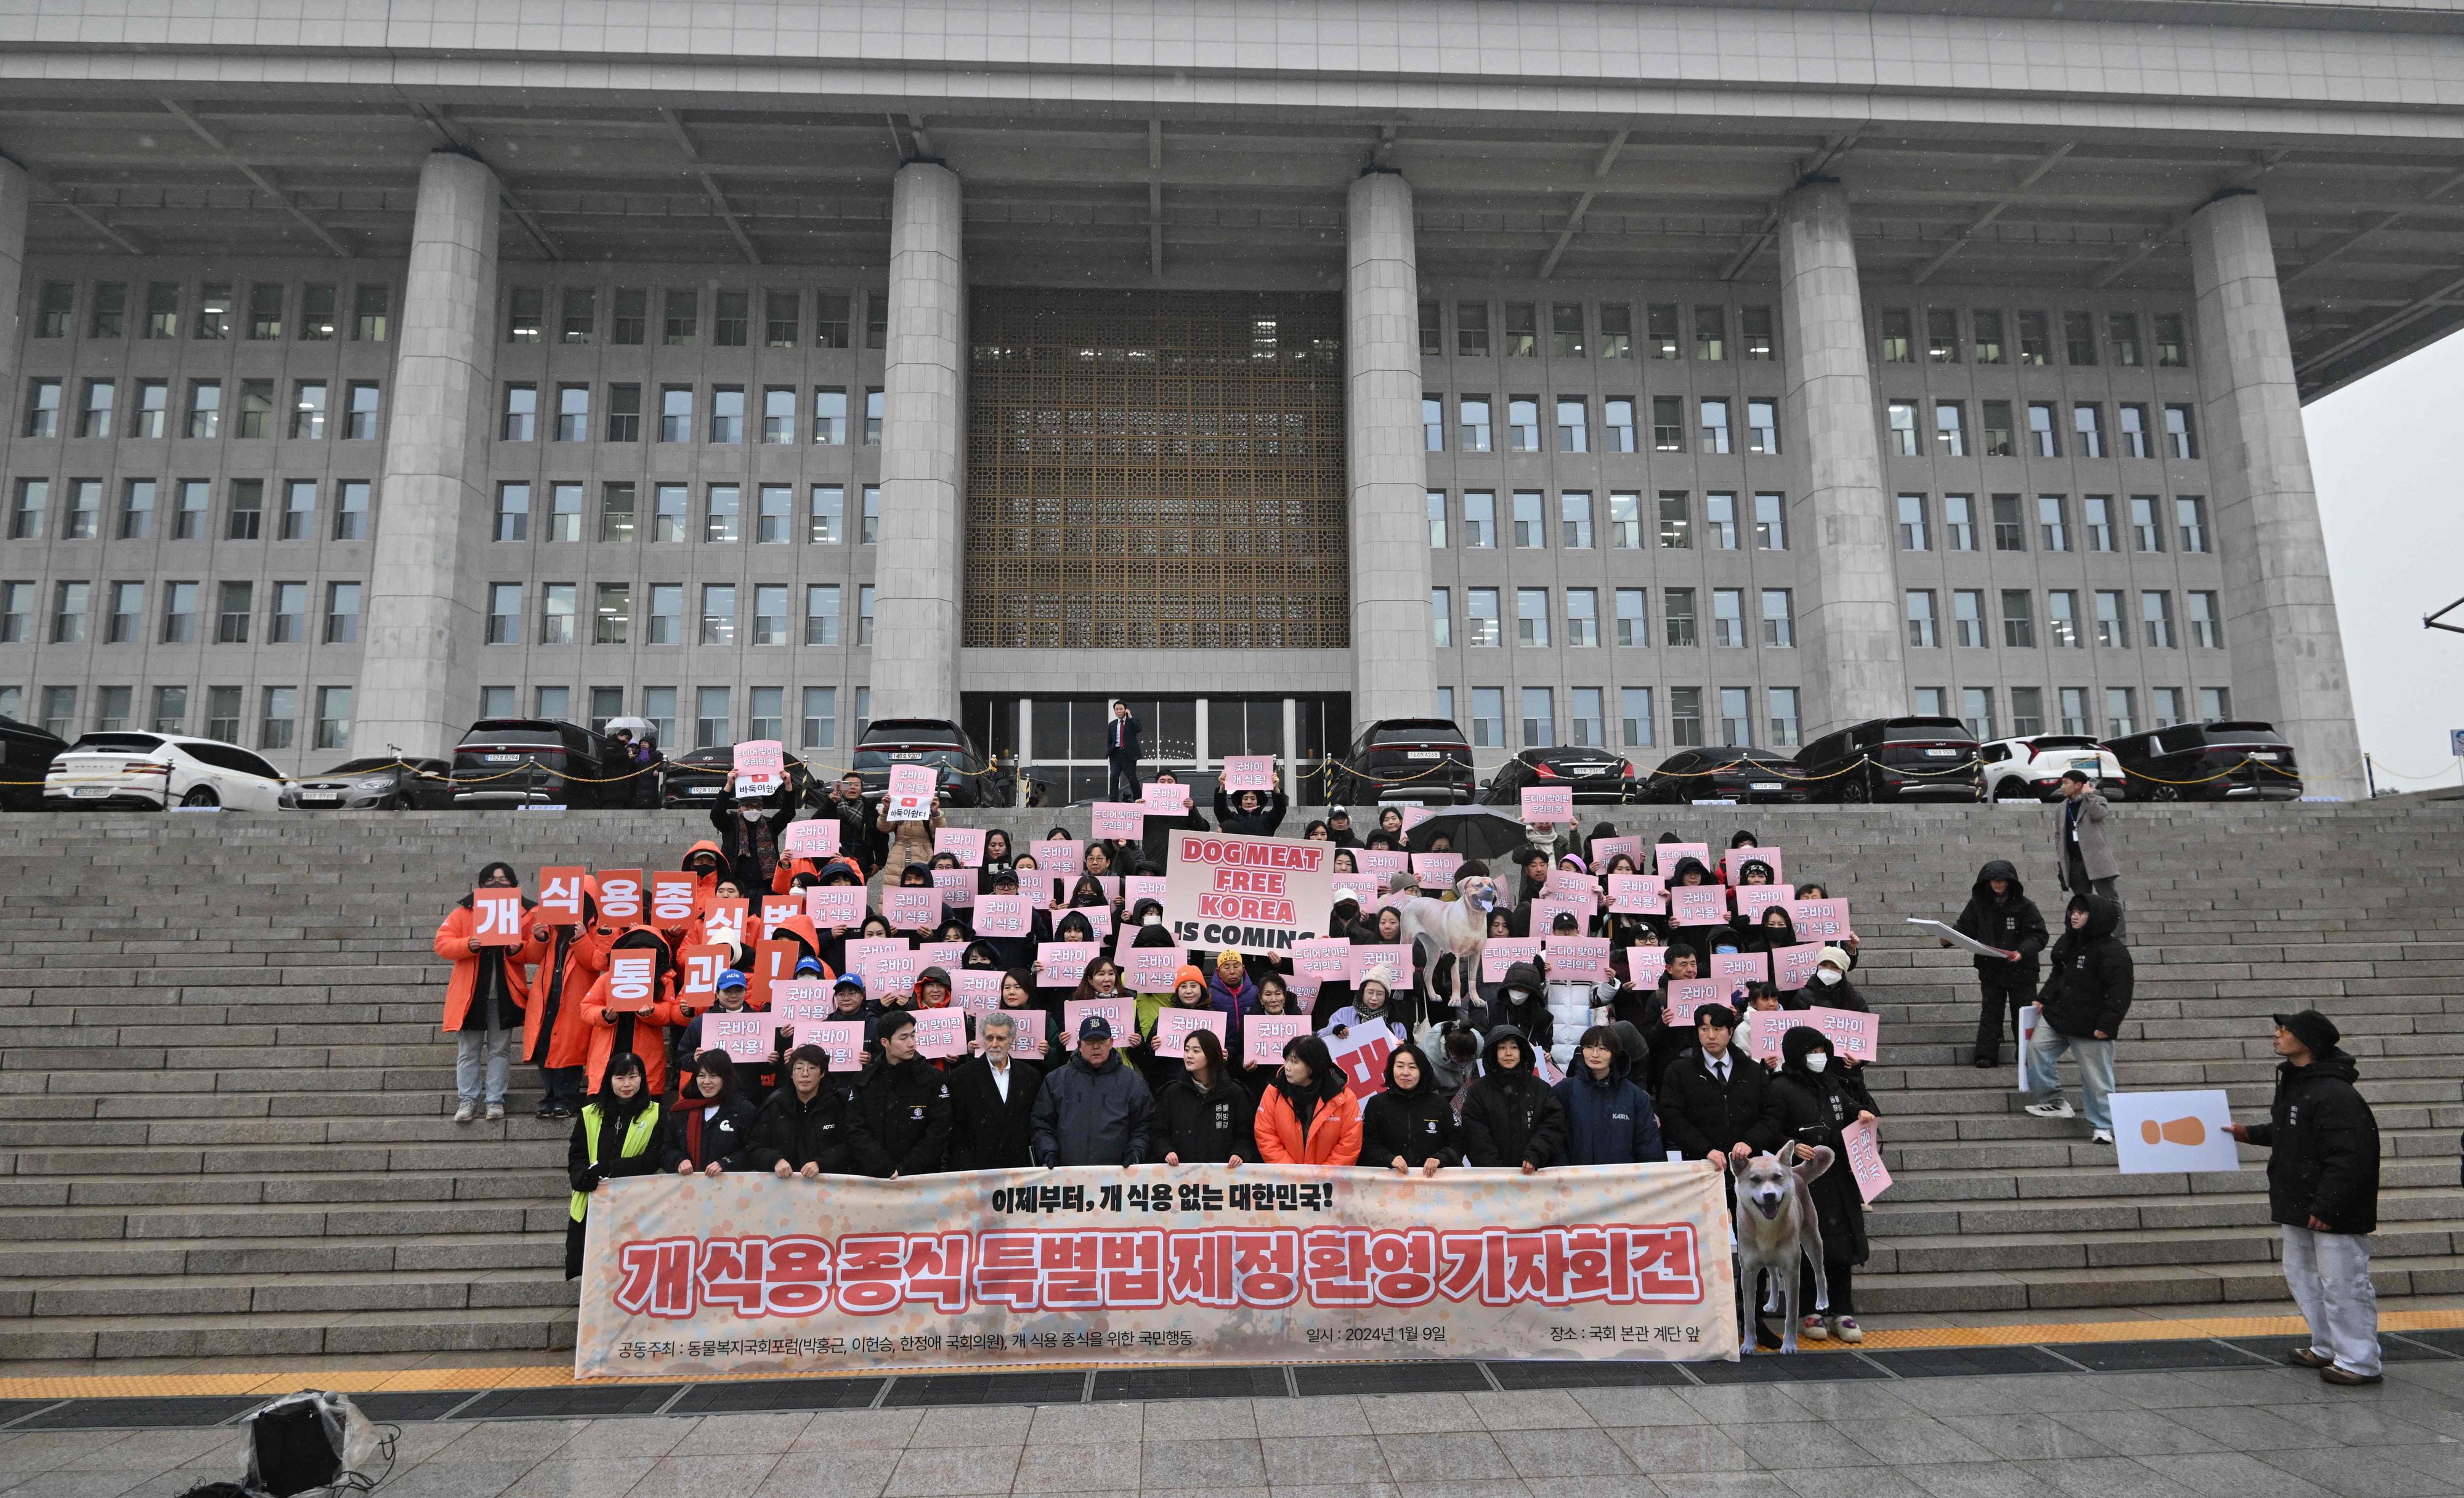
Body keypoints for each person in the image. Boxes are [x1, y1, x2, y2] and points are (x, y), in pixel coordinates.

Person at [2227, 1010, 2383, 1385]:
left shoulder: (2335, 1092)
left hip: (2330, 1209)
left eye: (2285, 1030)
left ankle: (2360, 1361)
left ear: (2309, 1043)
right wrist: (2248, 1133)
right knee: (2305, 1278)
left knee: (2344, 1283)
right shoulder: (2298, 1083)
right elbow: (2291, 1132)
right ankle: (2326, 1347)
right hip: (2298, 1202)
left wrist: (2329, 1207)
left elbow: (2351, 1156)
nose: (2277, 1035)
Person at [1767, 1026, 1878, 1343]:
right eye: (1811, 1052)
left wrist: (1862, 1113)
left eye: (1821, 1051)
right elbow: (1771, 1127)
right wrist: (1792, 1144)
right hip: (1805, 1181)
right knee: (1806, 1245)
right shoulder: (1780, 1088)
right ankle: (1809, 1311)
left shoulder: (1831, 1083)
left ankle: (1842, 1310)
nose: (1818, 1058)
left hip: (1838, 1177)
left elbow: (1849, 1106)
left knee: (1840, 1245)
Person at [434, 862, 547, 1125]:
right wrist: (467, 944)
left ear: (514, 884)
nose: (498, 884)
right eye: (492, 880)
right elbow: (441, 942)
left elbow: (535, 954)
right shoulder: (464, 912)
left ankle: (495, 1100)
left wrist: (524, 945)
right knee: (468, 1051)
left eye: (504, 879)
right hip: (471, 996)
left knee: (500, 1051)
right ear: (482, 885)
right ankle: (468, 1100)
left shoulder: (527, 913)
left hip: (506, 994)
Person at [2024, 894, 2133, 1144]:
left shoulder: (2114, 952)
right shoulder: (2068, 941)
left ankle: (2103, 1125)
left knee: (2097, 1078)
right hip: (2057, 1016)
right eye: (2073, 910)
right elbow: (2059, 972)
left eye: (2081, 913)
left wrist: (2107, 1025)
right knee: (2037, 1052)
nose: (2074, 915)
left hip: (2091, 1025)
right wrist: (2044, 998)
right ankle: (2053, 1102)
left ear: (2097, 918)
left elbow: (2120, 993)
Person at [564, 1050, 663, 1278]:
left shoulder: (656, 1113)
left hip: (633, 1200)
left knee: (629, 1264)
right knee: (591, 1262)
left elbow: (653, 1158)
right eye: (620, 1078)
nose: (627, 1084)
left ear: (643, 1078)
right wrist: (581, 1177)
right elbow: (577, 1154)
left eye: (633, 1077)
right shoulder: (590, 1113)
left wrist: (611, 1168)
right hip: (592, 1199)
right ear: (609, 1080)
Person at [1948, 858, 2049, 1068]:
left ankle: (2027, 1055)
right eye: (1994, 880)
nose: (1998, 884)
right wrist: (1949, 937)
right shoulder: (1978, 904)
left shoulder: (2025, 905)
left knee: (2022, 1013)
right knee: (1991, 1012)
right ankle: (1986, 1054)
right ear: (1986, 882)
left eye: (2002, 880)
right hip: (1991, 968)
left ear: (2010, 882)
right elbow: (1966, 928)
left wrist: (2022, 952)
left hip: (2021, 971)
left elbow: (2039, 935)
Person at [1031, 1016, 1154, 1166]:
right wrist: (1048, 1154)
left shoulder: (1132, 1082)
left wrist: (1135, 1155)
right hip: (1067, 1177)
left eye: (1101, 1041)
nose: (1096, 1047)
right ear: (1079, 1045)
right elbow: (1042, 1124)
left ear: (1111, 1043)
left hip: (1118, 1179)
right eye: (1089, 1041)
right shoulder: (1056, 1080)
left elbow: (1144, 1126)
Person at [847, 1010, 952, 1177]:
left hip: (922, 1178)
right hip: (873, 1177)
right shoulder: (864, 1081)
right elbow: (855, 1129)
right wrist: (883, 1166)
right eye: (903, 1038)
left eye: (913, 1035)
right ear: (885, 1042)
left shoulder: (932, 1078)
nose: (912, 1043)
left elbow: (939, 1129)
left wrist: (906, 1169)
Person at [1458, 1026, 1566, 1172]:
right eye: (1502, 1048)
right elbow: (1475, 1134)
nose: (1508, 1053)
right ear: (1494, 1052)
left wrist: (1535, 1153)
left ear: (1522, 1052)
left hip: (1533, 1176)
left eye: (1514, 1047)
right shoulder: (1478, 1091)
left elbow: (1553, 1125)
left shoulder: (1540, 1088)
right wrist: (1494, 1168)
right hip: (1493, 1179)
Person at [1554, 1025, 1663, 1165]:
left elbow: (1649, 1147)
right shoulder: (1564, 1091)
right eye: (1589, 1047)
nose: (1595, 1054)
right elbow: (1553, 1139)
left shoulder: (1634, 1096)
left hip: (1621, 1182)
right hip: (1574, 1181)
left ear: (1615, 1054)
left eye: (1603, 1049)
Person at [947, 1011, 1044, 1170]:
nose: (994, 1044)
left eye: (1001, 1038)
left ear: (1012, 1040)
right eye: (989, 1038)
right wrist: (967, 1166)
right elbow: (956, 1128)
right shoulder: (962, 1077)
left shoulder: (1030, 1076)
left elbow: (1034, 1123)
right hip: (977, 1169)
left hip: (1018, 1170)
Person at [1253, 1035, 1363, 1165]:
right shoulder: (1274, 1091)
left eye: (1294, 1062)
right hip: (1286, 1180)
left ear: (1313, 1065)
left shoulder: (1344, 1097)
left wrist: (1320, 1177)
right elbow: (1266, 1136)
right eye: (1286, 1060)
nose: (1287, 1067)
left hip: (1328, 1183)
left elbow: (1349, 1143)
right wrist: (1294, 1174)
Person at [747, 1044, 852, 1178]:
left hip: (828, 1187)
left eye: (812, 1068)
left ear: (823, 1073)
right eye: (799, 1068)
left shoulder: (838, 1103)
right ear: (792, 1073)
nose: (805, 1074)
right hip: (783, 1187)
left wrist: (822, 1163)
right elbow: (754, 1146)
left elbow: (851, 1145)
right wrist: (775, 1160)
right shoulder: (775, 1104)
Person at [1151, 1030, 1255, 1164]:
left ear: (1211, 1055)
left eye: (1196, 1051)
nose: (1189, 1056)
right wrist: (1166, 1151)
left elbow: (1245, 1133)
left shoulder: (1234, 1092)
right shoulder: (1172, 1093)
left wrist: (1240, 1153)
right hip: (1181, 1176)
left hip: (1224, 1175)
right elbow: (1158, 1133)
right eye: (1187, 1050)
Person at [1361, 1043, 1459, 1175]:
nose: (1405, 1073)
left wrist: (1440, 1158)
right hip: (1386, 1184)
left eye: (1412, 1067)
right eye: (1400, 1066)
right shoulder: (1377, 1104)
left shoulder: (1439, 1104)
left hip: (1431, 1184)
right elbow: (1366, 1143)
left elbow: (1457, 1142)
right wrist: (1387, 1159)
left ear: (1422, 1071)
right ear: (1392, 1069)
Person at [661, 1049, 755, 1176]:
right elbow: (666, 1150)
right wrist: (679, 1160)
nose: (706, 1081)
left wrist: (726, 1163)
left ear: (726, 1078)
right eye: (701, 1075)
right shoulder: (682, 1110)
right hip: (689, 1189)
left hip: (731, 1188)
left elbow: (754, 1151)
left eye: (713, 1076)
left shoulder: (744, 1110)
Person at [2054, 769, 2124, 933]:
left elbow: (2098, 814)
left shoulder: (2097, 800)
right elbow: (2058, 835)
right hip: (2075, 862)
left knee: (2110, 899)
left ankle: (2119, 936)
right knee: (2083, 902)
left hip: (2097, 861)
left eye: (2066, 782)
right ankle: (2088, 935)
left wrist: (2089, 795)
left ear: (2079, 785)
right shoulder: (2061, 808)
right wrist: (2062, 862)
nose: (2062, 787)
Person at [1214, 775, 1289, 836]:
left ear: (1258, 802)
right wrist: (1222, 788)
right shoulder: (1232, 819)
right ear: (1240, 801)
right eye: (1245, 799)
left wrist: (1276, 789)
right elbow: (1220, 810)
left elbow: (1280, 810)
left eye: (1253, 799)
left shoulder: (1267, 820)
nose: (1249, 802)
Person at [1105, 699, 1143, 802]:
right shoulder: (1112, 724)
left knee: (1132, 778)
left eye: (1121, 709)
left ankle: (1138, 799)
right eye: (1116, 709)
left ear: (1126, 710)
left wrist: (1130, 717)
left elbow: (1139, 729)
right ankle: (1113, 800)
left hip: (1128, 754)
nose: (1118, 711)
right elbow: (1110, 740)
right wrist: (1109, 752)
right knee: (1114, 777)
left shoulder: (1132, 722)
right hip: (1115, 754)